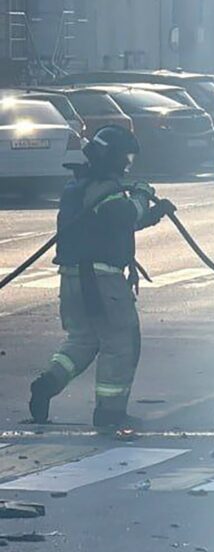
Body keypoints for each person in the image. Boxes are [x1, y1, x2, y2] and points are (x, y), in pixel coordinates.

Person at [28, 126, 176, 429]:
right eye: (125, 157)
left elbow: (111, 224)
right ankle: (110, 412)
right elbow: (121, 216)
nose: (127, 164)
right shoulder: (102, 186)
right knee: (120, 343)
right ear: (112, 156)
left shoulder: (84, 186)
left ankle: (48, 383)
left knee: (83, 339)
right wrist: (142, 195)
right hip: (102, 281)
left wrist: (154, 213)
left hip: (73, 278)